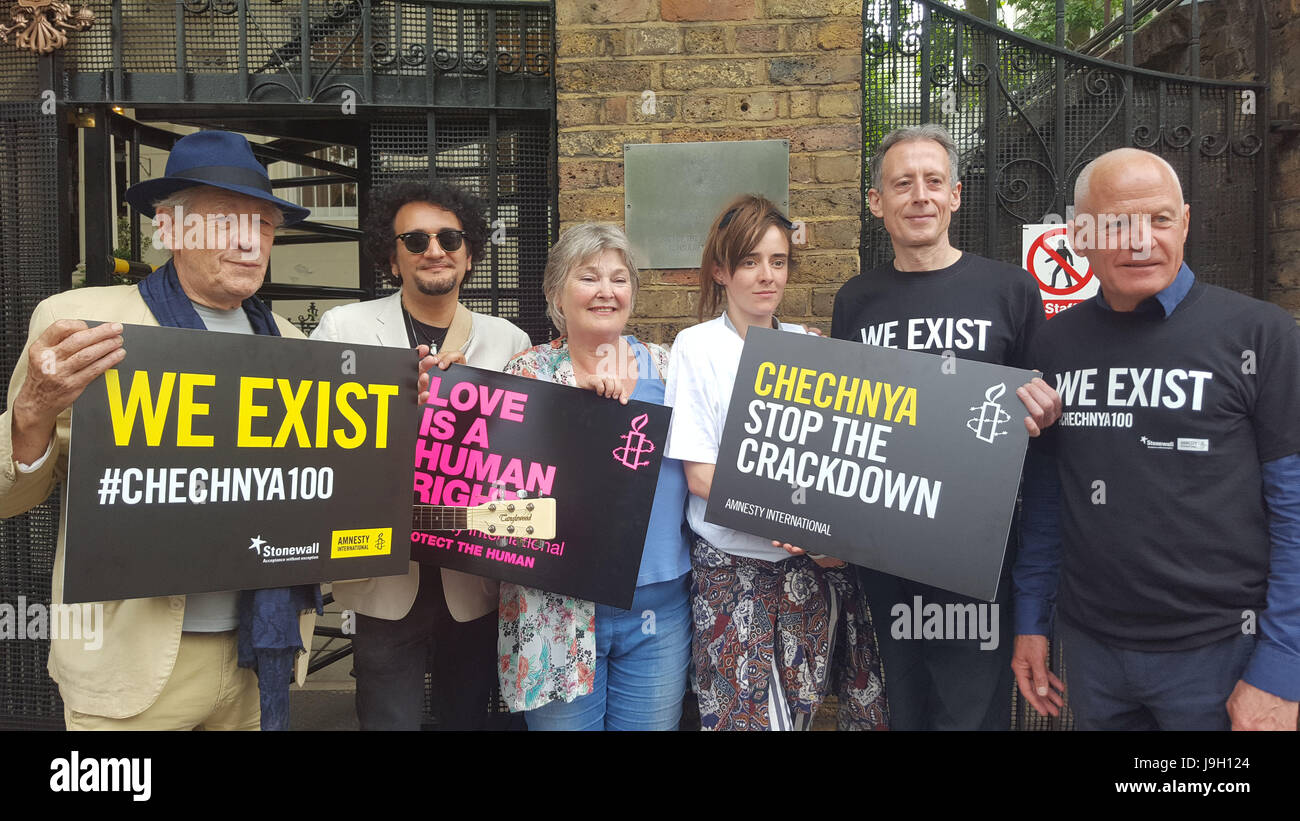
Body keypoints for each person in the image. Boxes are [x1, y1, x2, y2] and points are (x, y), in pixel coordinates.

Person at [0, 130, 325, 729]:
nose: (251, 242)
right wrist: (32, 412)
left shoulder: (294, 345)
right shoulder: (80, 324)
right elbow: (11, 496)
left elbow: (316, 495)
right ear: (171, 230)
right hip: (132, 666)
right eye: (227, 221)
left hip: (258, 656)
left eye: (266, 225)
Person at [1012, 147, 1300, 731]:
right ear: (1080, 235)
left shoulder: (1261, 335)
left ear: (1186, 223)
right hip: (1091, 656)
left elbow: (1295, 511)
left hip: (1223, 656)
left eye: (1160, 219)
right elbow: (1048, 500)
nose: (1141, 240)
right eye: (1117, 223)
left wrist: (1282, 667)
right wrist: (1031, 620)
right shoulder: (1052, 346)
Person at [830, 124, 1061, 730]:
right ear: (877, 203)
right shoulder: (856, 299)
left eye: (934, 182)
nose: (920, 196)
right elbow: (844, 419)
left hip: (978, 549)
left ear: (956, 195)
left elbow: (1045, 418)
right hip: (885, 549)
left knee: (970, 714)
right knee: (899, 710)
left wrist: (1044, 411)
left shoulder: (1010, 289)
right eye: (902, 184)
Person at [312, 178, 530, 730]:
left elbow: (528, 459)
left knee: (464, 718)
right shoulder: (345, 329)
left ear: (469, 252)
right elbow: (312, 441)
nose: (434, 250)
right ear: (392, 259)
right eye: (415, 241)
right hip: (383, 575)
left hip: (474, 577)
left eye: (449, 238)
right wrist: (393, 413)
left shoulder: (510, 341)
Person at [664, 194, 888, 731]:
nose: (767, 276)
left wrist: (826, 534)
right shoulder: (696, 347)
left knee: (799, 716)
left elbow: (831, 467)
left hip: (807, 571)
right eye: (749, 261)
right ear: (721, 270)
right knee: (739, 721)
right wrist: (785, 517)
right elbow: (699, 476)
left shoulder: (809, 348)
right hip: (731, 571)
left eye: (778, 261)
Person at [495, 223, 692, 730]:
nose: (606, 291)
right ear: (556, 292)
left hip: (659, 613)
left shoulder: (672, 370)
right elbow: (490, 491)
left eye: (619, 278)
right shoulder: (525, 376)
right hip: (554, 611)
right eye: (588, 277)